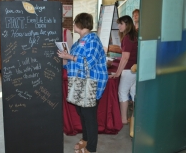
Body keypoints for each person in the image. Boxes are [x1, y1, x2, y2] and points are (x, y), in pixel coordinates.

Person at [57, 13, 108, 153]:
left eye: (75, 22)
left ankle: (91, 148)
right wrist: (64, 59)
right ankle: (85, 139)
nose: (73, 25)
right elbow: (74, 62)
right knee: (82, 112)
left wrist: (69, 56)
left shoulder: (93, 40)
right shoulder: (80, 40)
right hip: (80, 82)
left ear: (81, 24)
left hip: (91, 83)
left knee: (89, 116)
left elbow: (88, 63)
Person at [109, 15, 138, 125]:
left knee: (122, 93)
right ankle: (134, 118)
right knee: (134, 93)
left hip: (128, 70)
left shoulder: (127, 38)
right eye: (118, 23)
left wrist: (117, 73)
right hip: (135, 69)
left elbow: (125, 58)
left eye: (121, 24)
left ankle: (123, 119)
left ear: (127, 25)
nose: (119, 26)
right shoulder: (133, 36)